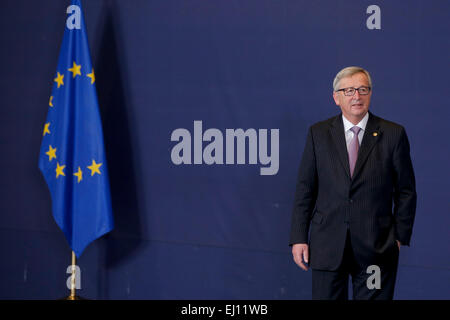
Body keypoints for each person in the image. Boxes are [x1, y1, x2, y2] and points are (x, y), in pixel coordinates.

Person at [289, 66, 417, 300]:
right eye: (348, 91)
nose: (356, 96)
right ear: (336, 98)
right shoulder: (318, 134)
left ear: (370, 94)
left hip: (376, 248)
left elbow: (406, 191)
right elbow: (305, 189)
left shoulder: (393, 134)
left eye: (362, 89)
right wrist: (298, 237)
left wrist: (398, 237)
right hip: (328, 245)